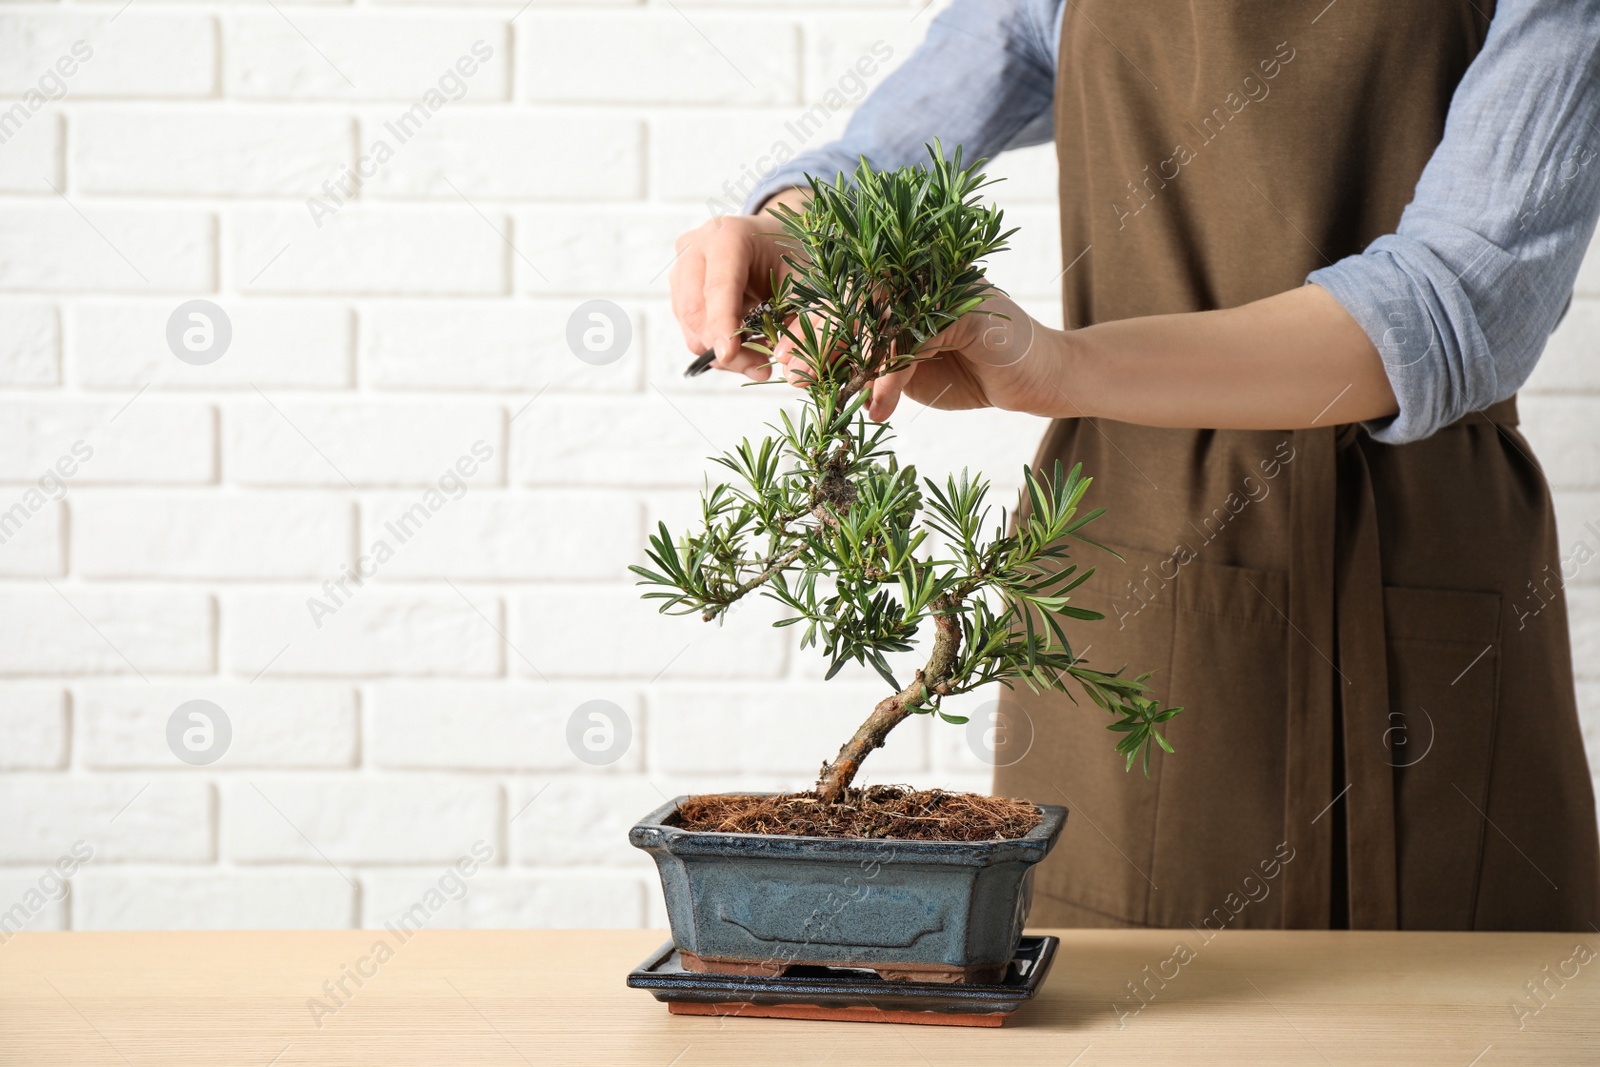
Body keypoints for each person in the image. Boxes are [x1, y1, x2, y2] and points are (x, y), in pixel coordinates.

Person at [667, 0, 1600, 931]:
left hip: (1426, 553)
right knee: (1114, 1007)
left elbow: (1462, 295)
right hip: (1122, 565)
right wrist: (798, 230)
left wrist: (1063, 365)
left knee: (1464, 1005)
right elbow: (894, 150)